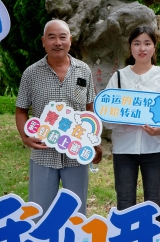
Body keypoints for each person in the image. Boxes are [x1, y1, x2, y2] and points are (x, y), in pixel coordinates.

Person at [15, 19, 102, 216]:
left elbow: (89, 109)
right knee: (39, 212)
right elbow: (21, 110)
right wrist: (25, 137)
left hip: (76, 152)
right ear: (43, 41)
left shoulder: (83, 71)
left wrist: (94, 142)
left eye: (62, 37)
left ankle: (74, 237)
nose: (57, 42)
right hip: (43, 153)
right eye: (52, 37)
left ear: (70, 40)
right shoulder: (31, 74)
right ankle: (41, 237)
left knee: (76, 212)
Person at [104, 25, 160, 223]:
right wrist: (124, 121)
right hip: (124, 149)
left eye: (147, 43)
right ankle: (126, 241)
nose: (142, 48)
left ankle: (155, 241)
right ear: (130, 47)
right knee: (125, 202)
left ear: (154, 47)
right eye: (137, 44)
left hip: (154, 149)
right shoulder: (119, 77)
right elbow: (106, 115)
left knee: (154, 203)